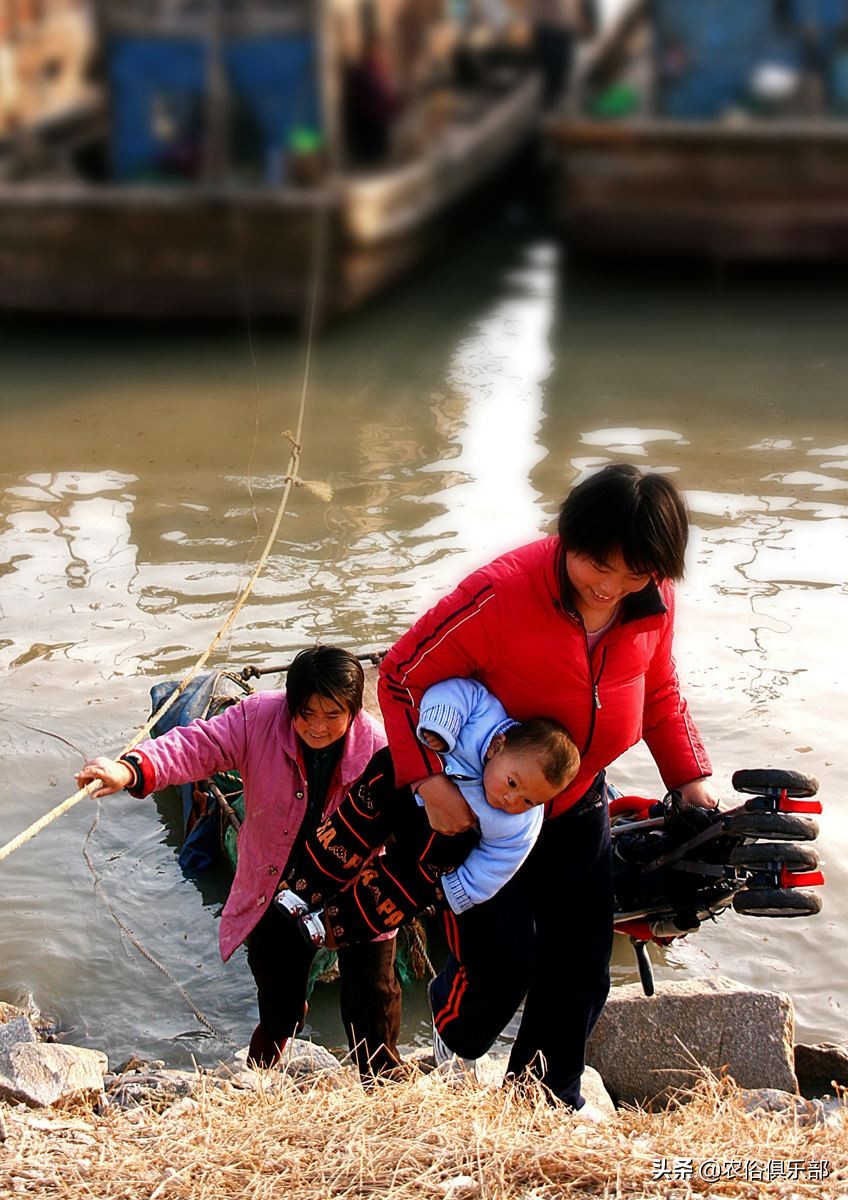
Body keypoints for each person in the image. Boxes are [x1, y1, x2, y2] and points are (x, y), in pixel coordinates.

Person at [377, 463, 718, 1111]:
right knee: (502, 963)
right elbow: (399, 677)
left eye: (634, 573)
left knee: (581, 964)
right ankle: (455, 1032)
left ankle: (543, 1097)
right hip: (487, 806)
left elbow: (661, 695)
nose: (609, 587)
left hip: (579, 797)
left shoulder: (655, 599)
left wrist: (692, 783)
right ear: (567, 539)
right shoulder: (501, 594)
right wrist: (426, 781)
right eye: (596, 565)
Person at [75, 646, 403, 1078]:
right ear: (290, 705)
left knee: (374, 996)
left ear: (354, 713)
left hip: (357, 890)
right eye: (307, 713)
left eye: (332, 715)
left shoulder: (381, 749)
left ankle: (382, 1080)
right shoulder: (258, 719)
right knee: (277, 992)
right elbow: (197, 746)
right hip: (277, 882)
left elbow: (418, 821)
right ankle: (265, 1067)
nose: (318, 727)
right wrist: (132, 769)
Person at [279, 677, 580, 947]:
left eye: (528, 801)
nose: (510, 799)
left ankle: (329, 926)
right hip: (401, 787)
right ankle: (301, 888)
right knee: (349, 830)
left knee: (403, 889)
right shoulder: (485, 718)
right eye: (512, 782)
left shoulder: (520, 823)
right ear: (497, 747)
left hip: (442, 839)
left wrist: (458, 891)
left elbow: (501, 860)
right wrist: (439, 727)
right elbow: (458, 693)